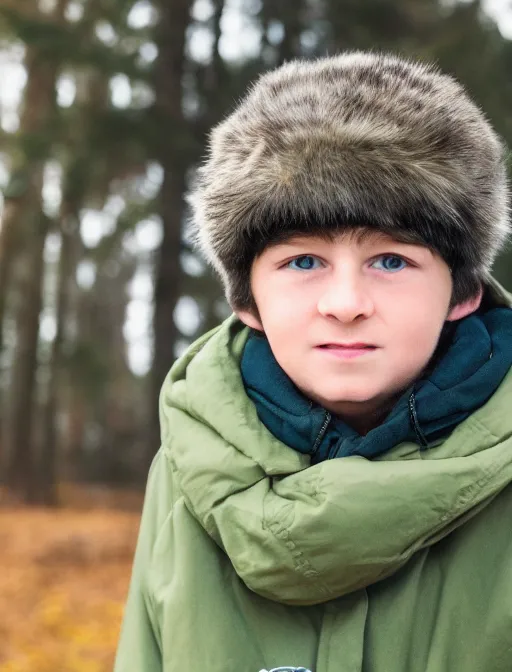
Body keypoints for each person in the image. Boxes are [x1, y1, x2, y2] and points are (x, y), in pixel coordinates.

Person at [114, 52, 512, 672]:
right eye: (303, 262)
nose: (346, 304)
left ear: (462, 292)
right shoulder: (190, 459)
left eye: (391, 261)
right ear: (248, 300)